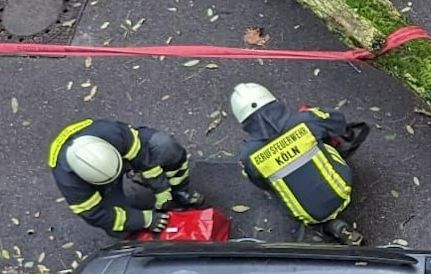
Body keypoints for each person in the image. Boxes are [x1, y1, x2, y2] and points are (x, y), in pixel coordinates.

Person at [230, 83, 369, 246]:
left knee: (273, 185)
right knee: (323, 144)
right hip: (343, 187)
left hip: (307, 214)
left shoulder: (248, 157)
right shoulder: (306, 120)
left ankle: (331, 225)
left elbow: (262, 184)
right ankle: (332, 219)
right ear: (272, 101)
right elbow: (338, 121)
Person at [47, 119, 202, 238]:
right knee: (118, 228)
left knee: (165, 146)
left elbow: (144, 158)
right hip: (102, 187)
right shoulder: (71, 183)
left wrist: (162, 189)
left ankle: (180, 191)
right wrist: (144, 219)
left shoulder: (112, 133)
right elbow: (96, 214)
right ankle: (141, 242)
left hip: (121, 155)